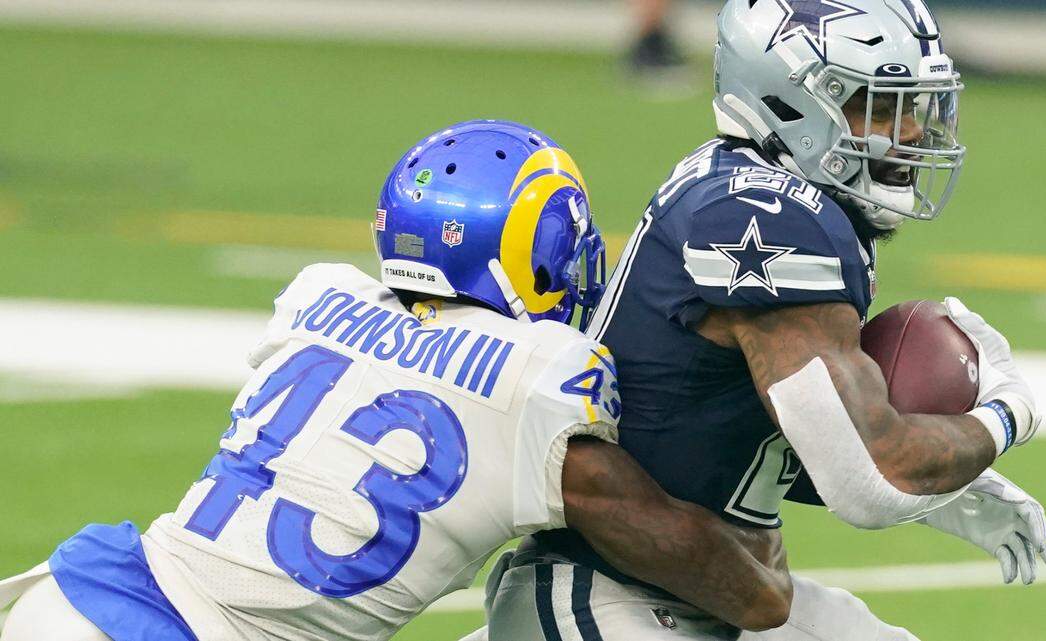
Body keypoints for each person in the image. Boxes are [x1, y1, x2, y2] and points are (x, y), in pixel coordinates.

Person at [0, 120, 795, 641]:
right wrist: (769, 565)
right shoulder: (532, 378)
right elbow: (726, 578)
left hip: (79, 593)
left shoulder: (320, 300)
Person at [479, 1, 1046, 639]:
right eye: (878, 106)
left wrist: (950, 486)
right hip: (611, 596)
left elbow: (743, 436)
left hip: (695, 582)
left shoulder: (758, 188)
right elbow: (868, 482)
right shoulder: (769, 217)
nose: (912, 132)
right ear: (791, 102)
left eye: (912, 106)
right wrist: (1008, 413)